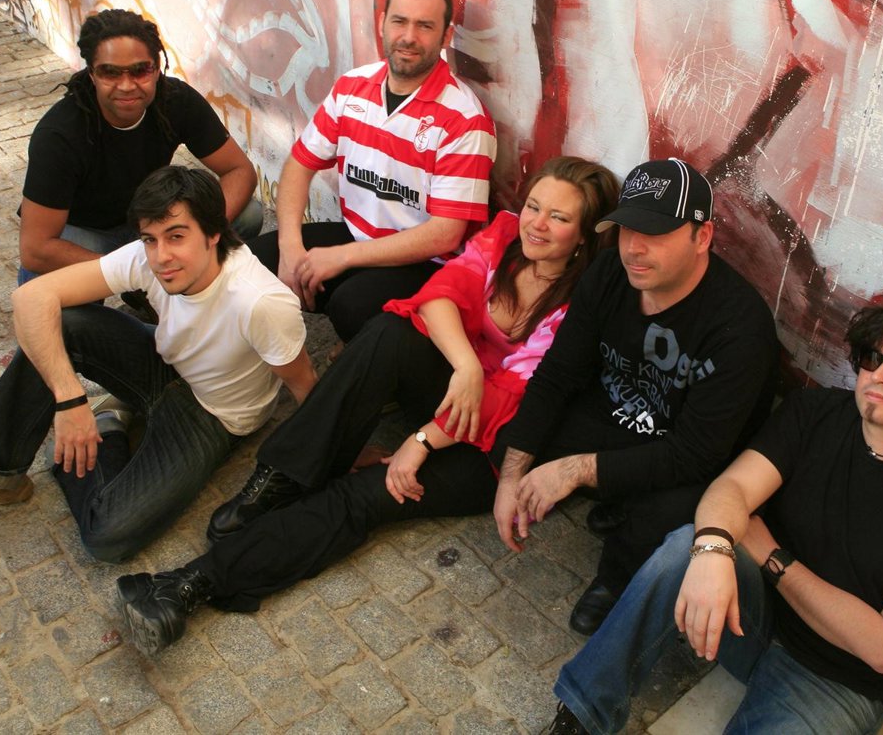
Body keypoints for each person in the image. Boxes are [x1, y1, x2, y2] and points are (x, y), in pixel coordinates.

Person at [112, 156, 618, 656]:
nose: (536, 224)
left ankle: (187, 586)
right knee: (390, 332)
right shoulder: (506, 234)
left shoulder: (585, 301)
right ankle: (281, 477)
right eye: (534, 206)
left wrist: (420, 442)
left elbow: (515, 398)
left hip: (494, 442)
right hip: (458, 391)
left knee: (364, 496)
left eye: (558, 217)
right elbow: (440, 292)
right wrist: (466, 367)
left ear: (584, 235)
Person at [546, 297, 883, 735]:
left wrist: (773, 558)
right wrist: (712, 552)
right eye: (872, 359)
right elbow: (732, 490)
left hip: (835, 679)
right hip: (749, 614)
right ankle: (582, 715)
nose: (878, 376)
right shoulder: (815, 412)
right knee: (689, 546)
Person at [0, 167, 316, 563]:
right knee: (56, 320)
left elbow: (308, 390)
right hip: (163, 363)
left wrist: (332, 469)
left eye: (177, 236)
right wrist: (69, 400)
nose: (161, 256)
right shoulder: (149, 256)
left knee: (107, 536)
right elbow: (30, 298)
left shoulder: (260, 302)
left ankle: (108, 426)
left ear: (214, 233)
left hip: (212, 414)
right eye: (150, 239)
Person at [492, 158, 780, 636]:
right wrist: (512, 475)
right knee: (513, 445)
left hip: (688, 452)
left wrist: (575, 469)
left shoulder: (740, 327)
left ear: (702, 237)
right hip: (618, 417)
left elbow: (694, 454)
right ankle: (610, 495)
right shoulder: (609, 270)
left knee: (670, 512)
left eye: (655, 234)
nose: (634, 249)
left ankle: (616, 577)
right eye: (627, 229)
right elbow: (557, 374)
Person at [249, 0, 497, 342]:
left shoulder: (464, 118)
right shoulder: (352, 86)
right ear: (382, 23)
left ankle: (388, 356)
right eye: (399, 21)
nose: (408, 37)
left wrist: (344, 256)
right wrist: (290, 249)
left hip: (427, 264)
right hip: (358, 235)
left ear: (445, 36)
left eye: (425, 26)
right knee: (252, 262)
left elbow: (445, 235)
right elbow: (300, 165)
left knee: (351, 305)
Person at [19, 8, 262, 284]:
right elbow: (35, 249)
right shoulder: (59, 135)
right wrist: (136, 272)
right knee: (46, 284)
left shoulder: (177, 101)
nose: (126, 85)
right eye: (109, 72)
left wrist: (199, 234)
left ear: (157, 69)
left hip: (155, 223)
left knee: (247, 214)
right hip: (88, 234)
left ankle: (191, 293)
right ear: (92, 74)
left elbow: (239, 171)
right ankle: (133, 298)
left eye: (140, 70)